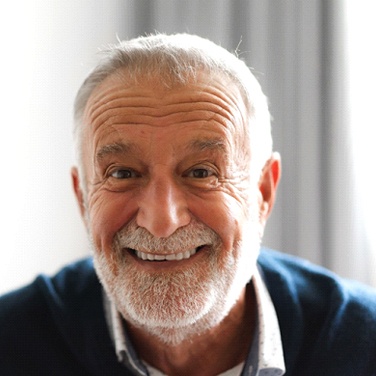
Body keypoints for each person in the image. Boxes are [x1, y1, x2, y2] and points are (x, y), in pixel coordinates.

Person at [0, 33, 375, 376]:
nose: (161, 221)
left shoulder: (361, 343)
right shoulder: (13, 343)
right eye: (122, 174)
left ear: (262, 191)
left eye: (200, 172)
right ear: (83, 198)